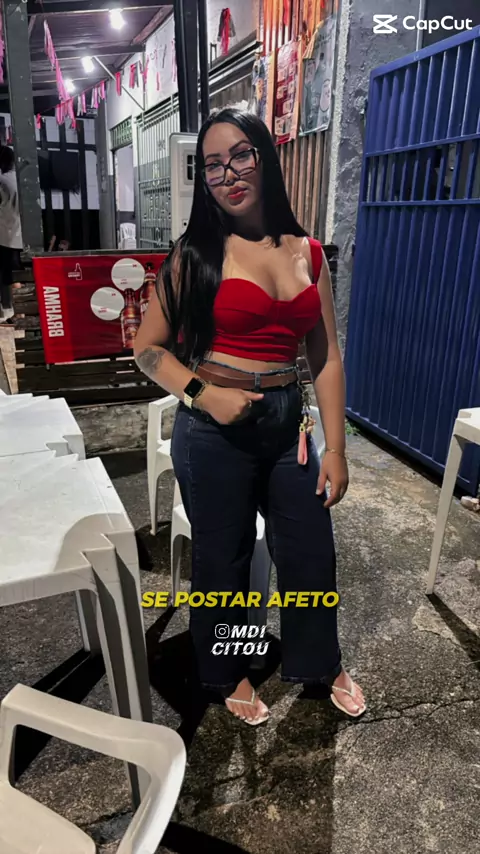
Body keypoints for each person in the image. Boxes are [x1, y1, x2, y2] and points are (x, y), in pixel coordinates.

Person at [134, 108, 365, 724]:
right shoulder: (196, 253)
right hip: (214, 430)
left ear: (264, 157)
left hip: (289, 425)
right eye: (212, 166)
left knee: (310, 552)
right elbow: (147, 349)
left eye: (240, 155)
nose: (228, 174)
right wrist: (201, 393)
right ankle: (225, 668)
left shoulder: (308, 252)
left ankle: (321, 660)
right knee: (224, 559)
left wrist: (337, 448)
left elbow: (326, 357)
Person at [0, 146, 22, 323]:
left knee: (9, 275)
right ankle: (23, 312)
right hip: (23, 236)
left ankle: (12, 311)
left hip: (7, 235)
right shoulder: (22, 180)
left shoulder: (2, 181)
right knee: (19, 273)